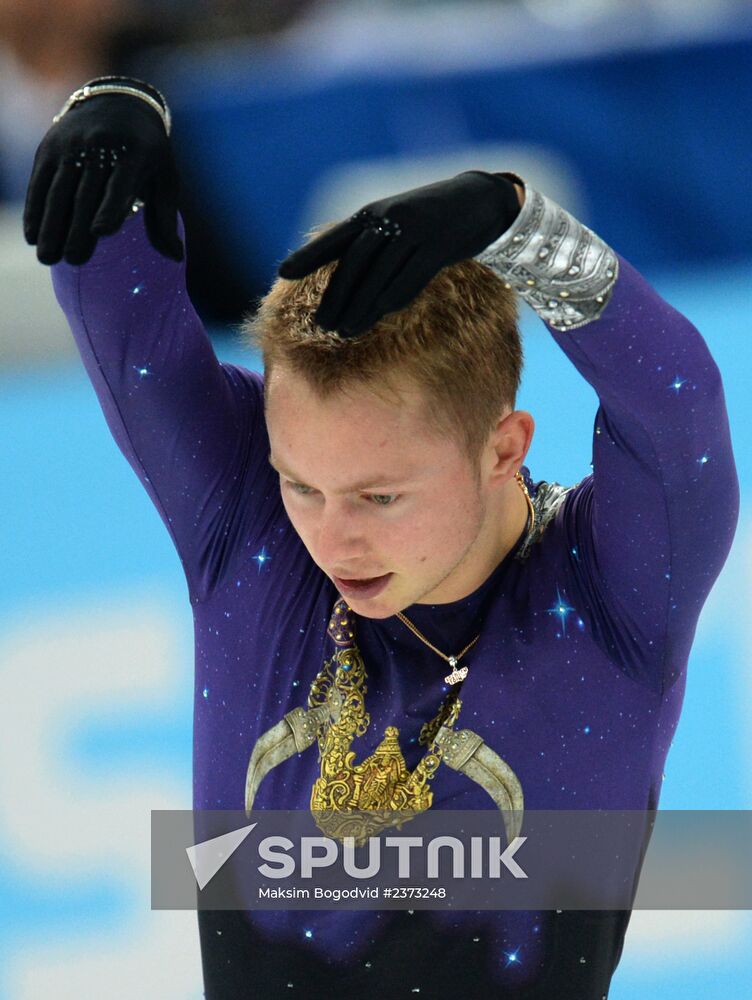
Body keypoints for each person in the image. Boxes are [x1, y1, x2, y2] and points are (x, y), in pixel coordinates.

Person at [24, 77, 739, 999]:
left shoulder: (613, 596)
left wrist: (522, 230)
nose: (331, 537)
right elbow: (119, 309)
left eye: (380, 495)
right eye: (301, 483)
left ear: (502, 446)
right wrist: (112, 104)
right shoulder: (248, 527)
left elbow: (678, 410)